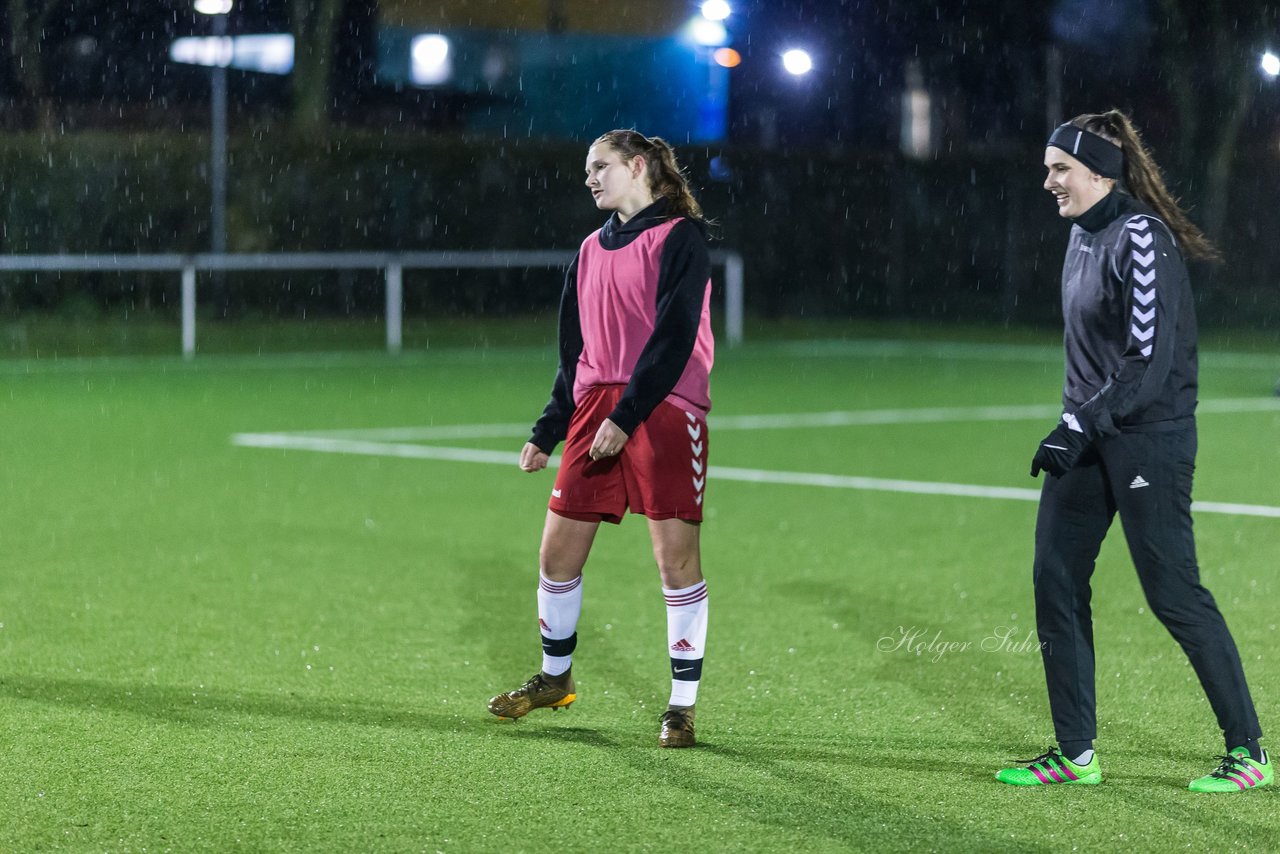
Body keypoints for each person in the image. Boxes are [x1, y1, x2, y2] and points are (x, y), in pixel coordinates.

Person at [995, 110, 1270, 792]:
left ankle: (1250, 752)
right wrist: (1078, 423)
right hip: (1091, 433)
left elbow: (1147, 360)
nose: (1048, 181)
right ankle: (1075, 752)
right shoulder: (1081, 236)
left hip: (1151, 437)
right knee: (1054, 579)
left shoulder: (1141, 237)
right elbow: (1092, 359)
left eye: (1060, 169)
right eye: (1048, 167)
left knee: (1173, 593)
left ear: (1099, 171)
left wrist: (1080, 425)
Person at [486, 130, 715, 748]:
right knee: (556, 556)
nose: (589, 178)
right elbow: (573, 351)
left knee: (675, 562)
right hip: (594, 411)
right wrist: (549, 429)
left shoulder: (681, 238)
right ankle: (554, 679)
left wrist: (629, 413)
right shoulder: (588, 250)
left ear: (637, 167)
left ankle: (681, 707)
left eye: (600, 166)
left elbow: (672, 338)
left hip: (665, 408)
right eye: (586, 169)